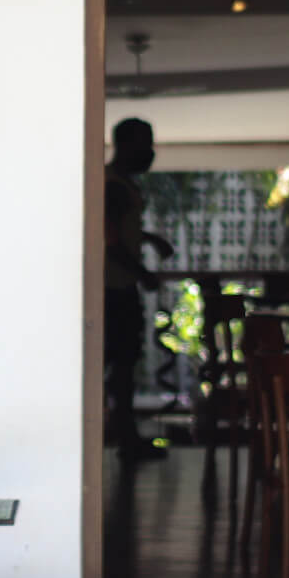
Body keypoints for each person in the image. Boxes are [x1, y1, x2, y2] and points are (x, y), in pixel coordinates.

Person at [104, 118, 174, 459]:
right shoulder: (114, 186)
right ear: (126, 144)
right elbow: (109, 239)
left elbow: (118, 229)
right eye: (145, 143)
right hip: (114, 288)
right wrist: (142, 272)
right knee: (121, 367)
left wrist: (149, 239)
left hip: (116, 286)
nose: (150, 152)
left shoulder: (119, 184)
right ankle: (125, 439)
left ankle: (124, 435)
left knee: (121, 365)